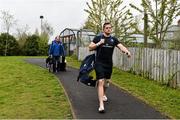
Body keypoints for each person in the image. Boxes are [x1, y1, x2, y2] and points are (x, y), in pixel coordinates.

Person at [89, 22, 131, 113]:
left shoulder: (113, 39)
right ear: (103, 29)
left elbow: (121, 46)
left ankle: (103, 94)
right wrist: (99, 43)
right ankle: (101, 105)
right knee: (100, 81)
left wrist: (126, 51)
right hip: (99, 63)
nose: (109, 29)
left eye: (110, 28)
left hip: (108, 64)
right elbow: (90, 47)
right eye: (107, 28)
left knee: (107, 83)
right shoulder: (98, 38)